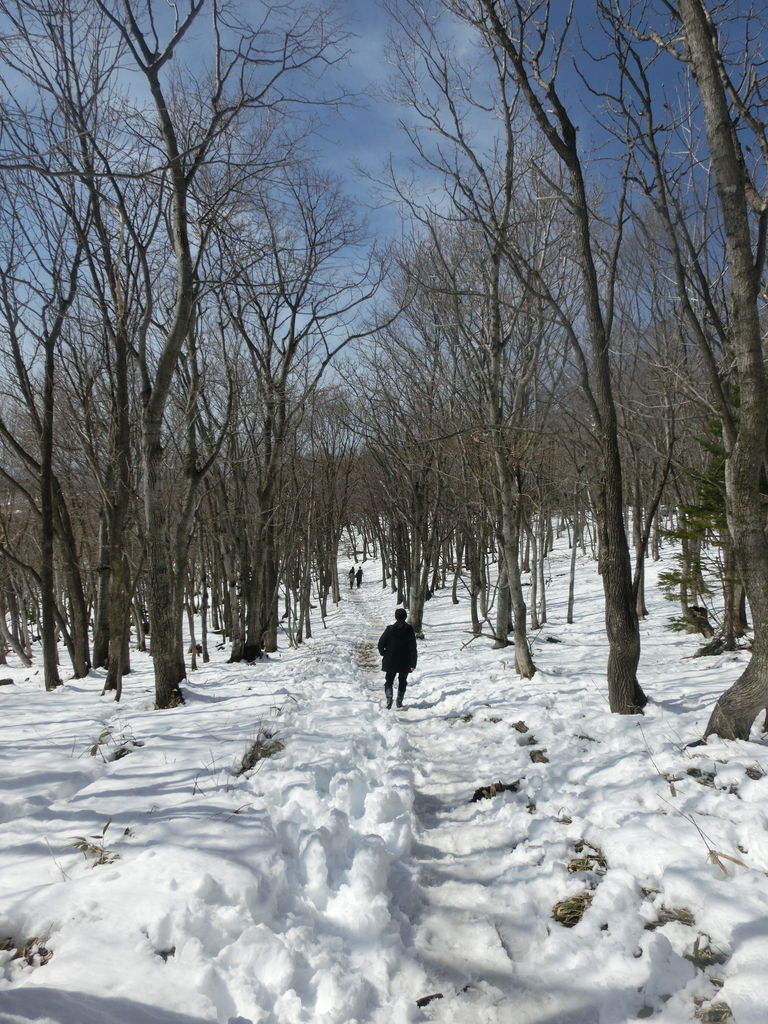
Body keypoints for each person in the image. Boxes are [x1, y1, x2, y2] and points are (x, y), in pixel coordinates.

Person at [377, 608, 417, 710]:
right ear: (405, 617)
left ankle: (389, 698)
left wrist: (384, 653)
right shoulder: (409, 629)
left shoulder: (390, 629)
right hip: (405, 660)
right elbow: (413, 647)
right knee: (403, 680)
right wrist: (413, 663)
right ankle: (399, 700)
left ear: (395, 617)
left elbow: (380, 644)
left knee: (389, 680)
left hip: (390, 659)